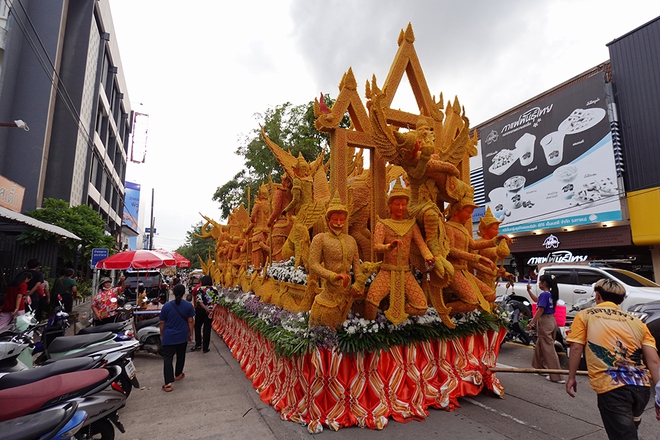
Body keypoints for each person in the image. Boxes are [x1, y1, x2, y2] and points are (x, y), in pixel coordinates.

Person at [566, 278, 660, 439]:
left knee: (623, 436)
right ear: (622, 300)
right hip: (641, 388)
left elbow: (576, 347)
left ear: (597, 296)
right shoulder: (637, 322)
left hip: (613, 389)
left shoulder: (585, 315)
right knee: (628, 431)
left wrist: (571, 377)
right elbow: (654, 360)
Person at [364, 180, 434, 326]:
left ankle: (393, 319)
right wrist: (388, 247)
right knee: (371, 301)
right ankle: (368, 328)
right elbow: (376, 246)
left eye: (403, 204)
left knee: (421, 306)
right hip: (387, 271)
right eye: (397, 204)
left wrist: (428, 256)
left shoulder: (411, 225)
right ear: (390, 206)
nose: (401, 207)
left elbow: (421, 245)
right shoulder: (382, 224)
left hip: (405, 272)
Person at [308, 192, 364, 328]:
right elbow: (313, 264)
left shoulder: (351, 240)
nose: (339, 223)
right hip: (329, 293)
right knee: (324, 326)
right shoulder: (320, 239)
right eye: (335, 219)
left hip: (347, 295)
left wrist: (359, 283)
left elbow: (356, 266)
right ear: (327, 220)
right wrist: (332, 276)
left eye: (341, 220)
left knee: (344, 329)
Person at [526, 274, 564, 383]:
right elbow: (537, 300)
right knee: (541, 344)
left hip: (545, 322)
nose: (538, 284)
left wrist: (531, 323)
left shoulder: (544, 295)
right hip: (552, 321)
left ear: (544, 283)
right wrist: (529, 291)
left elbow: (540, 310)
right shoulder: (550, 294)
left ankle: (557, 376)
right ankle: (541, 368)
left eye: (540, 282)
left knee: (548, 348)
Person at [160, 284, 195, 392]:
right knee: (181, 355)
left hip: (169, 336)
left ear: (173, 293)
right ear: (184, 293)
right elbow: (190, 321)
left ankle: (168, 384)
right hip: (182, 335)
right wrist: (191, 334)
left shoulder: (166, 306)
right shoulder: (188, 306)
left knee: (168, 359)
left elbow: (162, 322)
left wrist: (162, 335)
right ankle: (178, 374)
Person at [191, 275, 218, 353]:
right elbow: (216, 301)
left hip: (200, 310)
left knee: (197, 327)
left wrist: (206, 309)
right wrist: (211, 310)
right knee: (207, 328)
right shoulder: (214, 289)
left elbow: (199, 301)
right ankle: (205, 348)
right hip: (210, 311)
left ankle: (198, 344)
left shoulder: (199, 289)